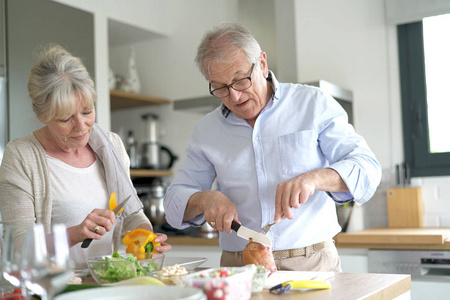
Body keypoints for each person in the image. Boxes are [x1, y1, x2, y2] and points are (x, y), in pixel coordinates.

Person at [164, 23, 381, 272]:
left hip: (311, 264)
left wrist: (314, 179)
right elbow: (172, 202)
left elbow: (367, 169)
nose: (234, 97)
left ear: (263, 64)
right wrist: (205, 199)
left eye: (240, 80)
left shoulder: (312, 103)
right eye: (221, 88)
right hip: (238, 267)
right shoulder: (206, 130)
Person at [0, 44, 171, 268]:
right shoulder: (21, 157)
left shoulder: (112, 146)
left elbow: (131, 215)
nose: (81, 127)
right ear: (40, 114)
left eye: (87, 111)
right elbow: (17, 247)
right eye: (65, 119)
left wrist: (147, 240)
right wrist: (75, 233)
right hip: (53, 289)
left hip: (104, 283)